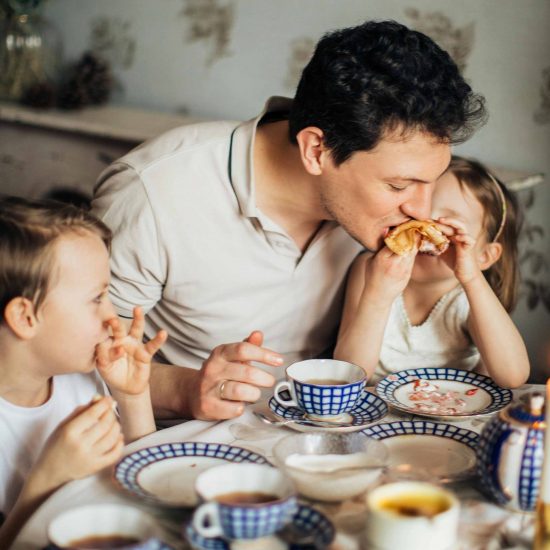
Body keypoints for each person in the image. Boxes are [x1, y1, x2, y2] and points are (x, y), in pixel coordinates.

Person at [92, 20, 486, 421]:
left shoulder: (376, 215)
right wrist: (187, 389)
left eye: (430, 183)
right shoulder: (152, 193)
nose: (422, 210)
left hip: (329, 429)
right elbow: (81, 361)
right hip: (193, 444)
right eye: (400, 185)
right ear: (316, 150)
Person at [0, 197, 167, 548]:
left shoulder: (79, 376)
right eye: (97, 298)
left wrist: (133, 398)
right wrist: (48, 479)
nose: (113, 317)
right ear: (25, 318)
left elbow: (141, 491)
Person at [334, 156, 530, 388]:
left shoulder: (469, 298)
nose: (426, 231)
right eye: (419, 217)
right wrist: (377, 297)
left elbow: (513, 376)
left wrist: (472, 278)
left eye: (448, 224)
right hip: (380, 413)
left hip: (453, 413)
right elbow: (347, 376)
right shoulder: (372, 270)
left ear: (484, 256)